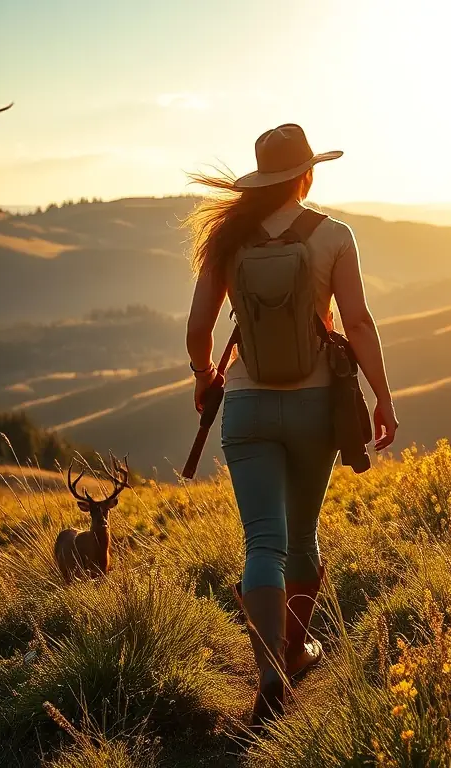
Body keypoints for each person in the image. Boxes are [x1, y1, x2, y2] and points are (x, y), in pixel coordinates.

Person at [184, 124, 398, 727]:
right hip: (314, 407)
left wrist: (204, 377)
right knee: (302, 538)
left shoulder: (228, 240)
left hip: (248, 409)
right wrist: (382, 397)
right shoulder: (334, 236)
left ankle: (268, 677)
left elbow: (199, 329)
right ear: (306, 175)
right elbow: (356, 323)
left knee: (262, 544)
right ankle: (295, 649)